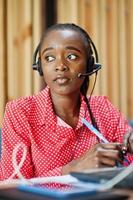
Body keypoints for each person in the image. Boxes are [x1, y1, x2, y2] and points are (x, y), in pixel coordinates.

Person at [0, 23, 133, 181]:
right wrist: (72, 169)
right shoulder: (20, 112)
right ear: (40, 66)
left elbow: (127, 169)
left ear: (89, 65)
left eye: (71, 56)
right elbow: (12, 186)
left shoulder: (103, 108)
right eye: (49, 58)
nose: (60, 66)